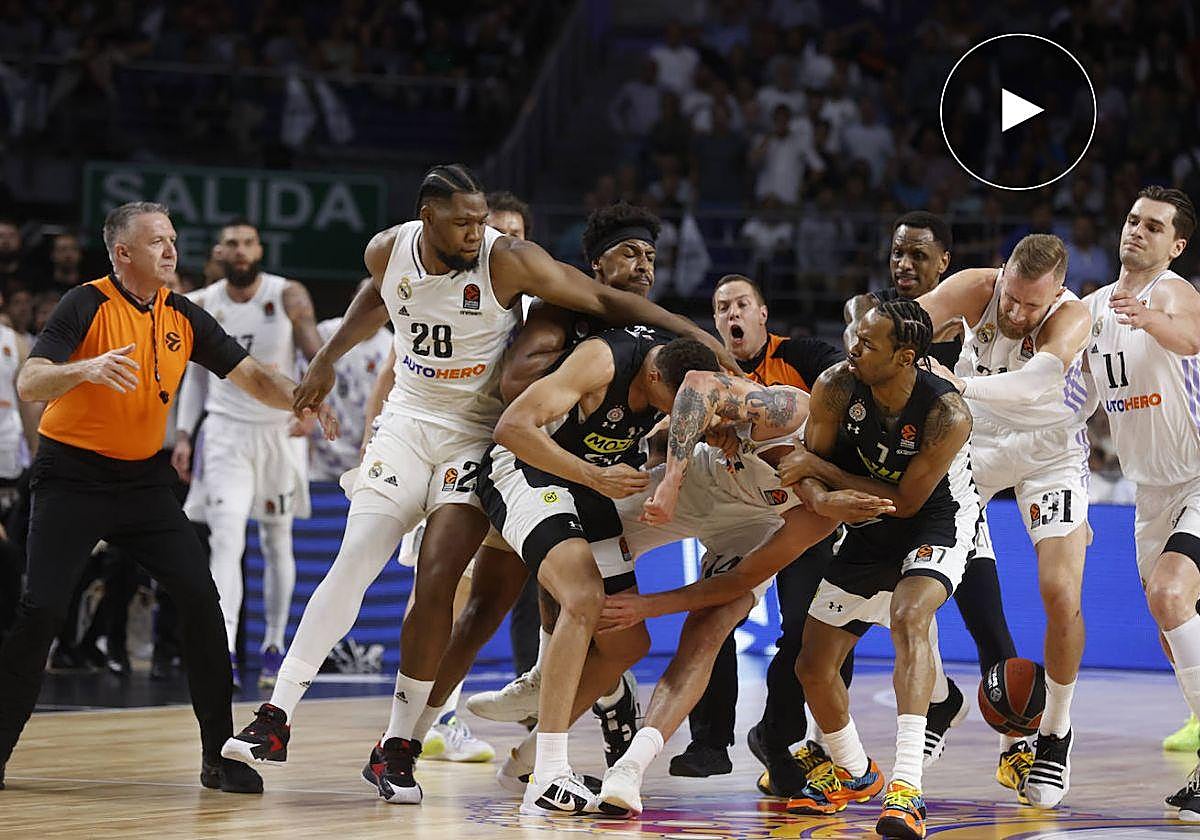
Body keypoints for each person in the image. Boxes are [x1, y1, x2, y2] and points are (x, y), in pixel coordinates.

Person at [221, 165, 730, 807]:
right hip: (427, 426)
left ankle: (411, 741)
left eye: (483, 219)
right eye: (463, 220)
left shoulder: (509, 261)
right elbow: (380, 295)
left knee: (448, 583)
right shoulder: (388, 248)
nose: (477, 230)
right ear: (427, 215)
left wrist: (692, 333)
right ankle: (276, 714)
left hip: (478, 437)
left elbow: (610, 304)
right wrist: (325, 359)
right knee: (363, 562)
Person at [0, 201, 335, 794]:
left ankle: (217, 756)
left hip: (144, 482)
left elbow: (253, 375)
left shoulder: (184, 314)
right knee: (41, 612)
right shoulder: (87, 302)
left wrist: (302, 397)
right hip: (71, 476)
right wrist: (85, 370)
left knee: (202, 602)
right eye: (156, 241)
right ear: (123, 253)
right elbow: (30, 381)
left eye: (173, 238)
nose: (170, 249)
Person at [592, 371, 894, 815]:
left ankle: (630, 768)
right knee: (573, 544)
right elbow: (696, 382)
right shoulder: (789, 410)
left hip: (753, 527)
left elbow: (735, 582)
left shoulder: (827, 507)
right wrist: (672, 477)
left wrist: (648, 607)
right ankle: (597, 692)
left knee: (711, 628)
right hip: (694, 482)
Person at [475, 329, 720, 814]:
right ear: (652, 374)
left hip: (590, 485)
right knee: (583, 599)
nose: (677, 414)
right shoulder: (601, 362)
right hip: (527, 470)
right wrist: (593, 475)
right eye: (671, 404)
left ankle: (523, 763)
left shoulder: (688, 375)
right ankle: (548, 774)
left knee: (628, 642)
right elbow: (512, 427)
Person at [465, 203, 667, 765]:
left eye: (650, 256)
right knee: (483, 600)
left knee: (623, 635)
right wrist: (593, 372)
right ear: (596, 266)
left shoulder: (651, 335)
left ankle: (544, 740)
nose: (644, 265)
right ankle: (417, 728)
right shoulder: (565, 315)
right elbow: (514, 387)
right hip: (526, 463)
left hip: (601, 480)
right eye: (630, 253)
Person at [777, 300, 978, 840]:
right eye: (854, 336)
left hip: (936, 520)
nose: (852, 348)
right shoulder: (836, 386)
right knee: (812, 666)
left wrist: (820, 471)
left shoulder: (947, 414)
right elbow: (804, 471)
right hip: (868, 527)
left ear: (906, 356)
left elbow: (908, 503)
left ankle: (908, 790)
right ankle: (856, 772)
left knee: (911, 617)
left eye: (867, 343)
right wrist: (820, 499)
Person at [917, 233, 1092, 807]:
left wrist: (959, 383)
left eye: (1030, 305)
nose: (1016, 313)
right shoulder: (978, 287)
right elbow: (912, 319)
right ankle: (939, 696)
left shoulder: (1072, 317)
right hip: (977, 442)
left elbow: (1039, 381)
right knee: (913, 566)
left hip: (1050, 451)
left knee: (1059, 590)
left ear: (1057, 293)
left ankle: (1055, 733)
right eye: (1011, 298)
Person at [846, 212, 1019, 772]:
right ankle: (938, 702)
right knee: (893, 618)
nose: (903, 264)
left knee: (985, 619)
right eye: (897, 252)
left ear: (946, 263)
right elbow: (855, 328)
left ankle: (1016, 741)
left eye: (918, 255)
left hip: (959, 487)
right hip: (888, 489)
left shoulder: (974, 324)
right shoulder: (869, 315)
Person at [672, 273, 845, 790]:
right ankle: (708, 744)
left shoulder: (803, 355)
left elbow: (840, 402)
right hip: (739, 512)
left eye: (741, 304)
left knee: (805, 630)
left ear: (762, 314)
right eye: (722, 307)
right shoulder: (703, 373)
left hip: (799, 505)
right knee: (712, 613)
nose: (732, 315)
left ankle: (778, 736)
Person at [1081, 187, 1200, 819]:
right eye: (1132, 221)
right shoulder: (1095, 308)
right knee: (1170, 626)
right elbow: (1075, 399)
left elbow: (1190, 339)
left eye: (1153, 227)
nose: (1137, 232)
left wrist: (1148, 317)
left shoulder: (1173, 293)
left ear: (1176, 245)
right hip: (1149, 491)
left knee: (1170, 595)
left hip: (1198, 474)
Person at [172, 220, 324, 689]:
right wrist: (183, 434)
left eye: (248, 243)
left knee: (277, 540)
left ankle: (274, 645)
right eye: (232, 244)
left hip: (277, 431)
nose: (240, 251)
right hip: (225, 435)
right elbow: (194, 379)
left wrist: (314, 403)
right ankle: (225, 647)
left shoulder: (287, 294)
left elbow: (313, 349)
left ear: (260, 249)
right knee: (226, 539)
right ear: (219, 251)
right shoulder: (202, 303)